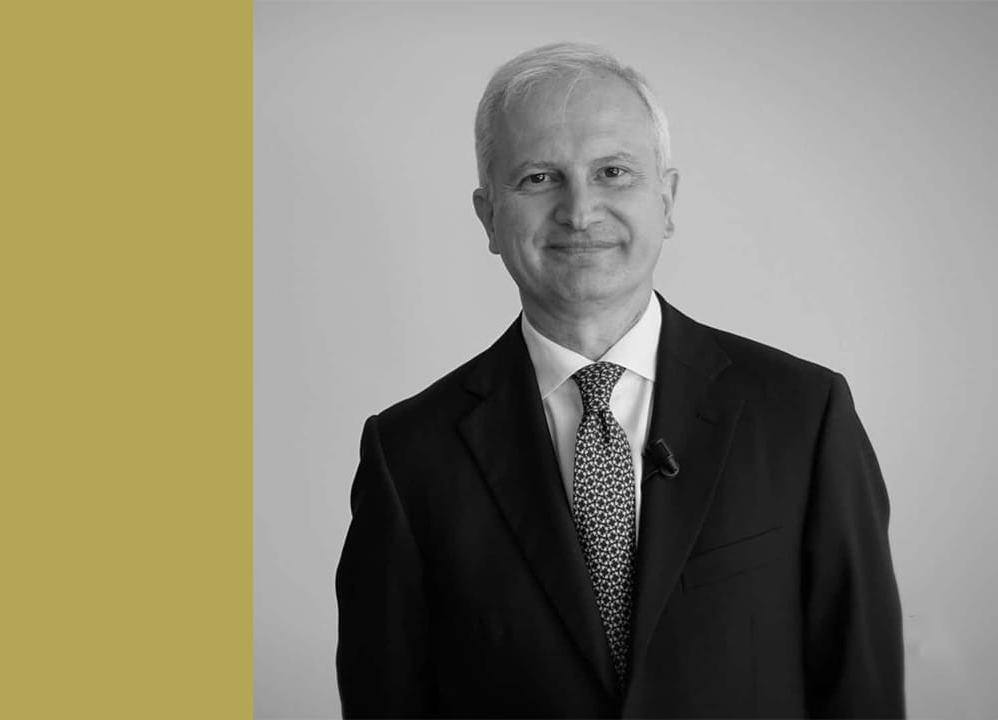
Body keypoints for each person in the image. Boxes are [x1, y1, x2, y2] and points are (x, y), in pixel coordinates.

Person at [335, 42, 904, 718]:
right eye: (538, 178)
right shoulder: (408, 456)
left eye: (612, 172)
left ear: (666, 199)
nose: (580, 211)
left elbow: (860, 688)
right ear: (489, 217)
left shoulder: (803, 415)